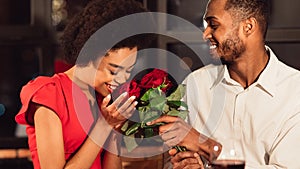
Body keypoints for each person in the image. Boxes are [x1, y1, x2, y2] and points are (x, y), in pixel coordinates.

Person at [148, 0, 300, 168]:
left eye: (213, 25)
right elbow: (170, 160)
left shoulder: (295, 92)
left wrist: (206, 146)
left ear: (248, 27)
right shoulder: (195, 85)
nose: (205, 34)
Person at [15, 0, 153, 168]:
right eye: (114, 70)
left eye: (128, 70)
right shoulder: (50, 95)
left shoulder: (104, 101)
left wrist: (114, 127)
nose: (122, 80)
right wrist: (104, 125)